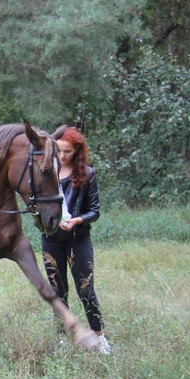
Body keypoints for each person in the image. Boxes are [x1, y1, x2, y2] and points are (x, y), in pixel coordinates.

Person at [42, 126, 110, 355]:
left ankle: (100, 337)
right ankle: (61, 339)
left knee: (86, 290)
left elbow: (95, 211)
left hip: (77, 238)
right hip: (51, 239)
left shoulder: (87, 174)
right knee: (57, 291)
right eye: (59, 151)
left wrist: (77, 220)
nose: (62, 156)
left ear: (77, 151)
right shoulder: (46, 172)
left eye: (67, 151)